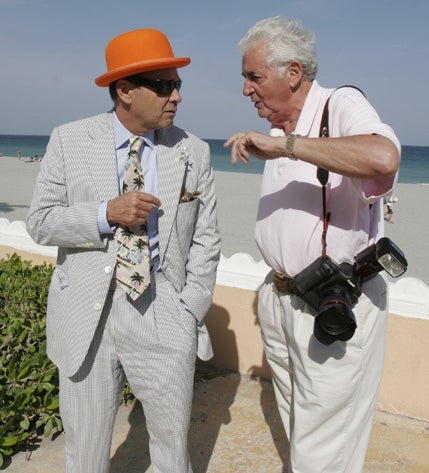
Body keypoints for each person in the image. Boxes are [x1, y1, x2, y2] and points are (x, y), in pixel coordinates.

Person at [27, 28, 220, 473]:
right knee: (87, 454)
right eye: (164, 86)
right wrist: (104, 214)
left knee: (172, 454)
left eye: (178, 85)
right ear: (125, 90)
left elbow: (207, 239)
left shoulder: (193, 151)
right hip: (84, 317)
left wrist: (188, 309)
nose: (176, 96)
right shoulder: (69, 140)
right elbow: (40, 221)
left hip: (162, 310)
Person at [225, 16, 400, 473]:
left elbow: (383, 157)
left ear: (294, 73)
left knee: (322, 452)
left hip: (333, 303)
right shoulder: (282, 129)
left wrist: (288, 147)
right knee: (303, 434)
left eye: (254, 76)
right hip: (281, 300)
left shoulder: (340, 104)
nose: (246, 90)